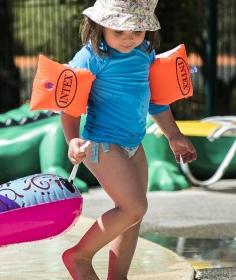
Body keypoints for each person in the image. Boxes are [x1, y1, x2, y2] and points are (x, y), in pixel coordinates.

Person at [60, 1, 197, 279]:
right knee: (133, 207)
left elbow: (156, 101)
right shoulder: (91, 57)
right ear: (100, 26)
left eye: (136, 30)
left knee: (133, 216)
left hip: (134, 145)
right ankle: (79, 256)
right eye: (119, 30)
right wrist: (72, 140)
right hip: (101, 144)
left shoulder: (144, 53)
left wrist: (173, 135)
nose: (128, 38)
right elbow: (70, 104)